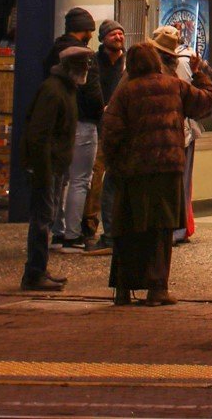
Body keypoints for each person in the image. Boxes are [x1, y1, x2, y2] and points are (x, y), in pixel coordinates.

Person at [99, 41, 212, 306]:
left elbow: (111, 131)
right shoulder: (173, 86)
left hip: (134, 171)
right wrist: (200, 73)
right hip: (167, 168)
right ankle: (157, 289)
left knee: (128, 227)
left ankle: (123, 287)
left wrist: (115, 165)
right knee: (160, 228)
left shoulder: (125, 92)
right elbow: (206, 102)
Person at [18, 45, 91, 291]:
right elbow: (40, 135)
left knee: (45, 218)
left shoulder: (65, 89)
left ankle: (39, 269)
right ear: (71, 68)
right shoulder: (54, 91)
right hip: (46, 167)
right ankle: (34, 273)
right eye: (83, 65)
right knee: (42, 219)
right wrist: (43, 171)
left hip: (55, 165)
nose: (86, 70)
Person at [44, 7, 103, 251]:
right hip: (83, 122)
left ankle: (57, 233)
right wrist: (100, 112)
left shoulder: (53, 53)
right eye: (90, 29)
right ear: (86, 30)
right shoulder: (86, 56)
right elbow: (92, 94)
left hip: (57, 123)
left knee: (60, 178)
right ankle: (73, 234)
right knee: (80, 179)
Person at [148, 26, 203, 244]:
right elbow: (204, 99)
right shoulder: (181, 67)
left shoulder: (146, 75)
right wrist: (199, 74)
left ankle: (168, 229)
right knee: (179, 181)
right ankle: (175, 229)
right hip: (178, 133)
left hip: (161, 137)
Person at [84, 19, 127, 255]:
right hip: (99, 125)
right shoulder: (94, 62)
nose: (118, 37)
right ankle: (89, 225)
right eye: (113, 34)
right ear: (103, 38)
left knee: (112, 178)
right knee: (95, 176)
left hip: (120, 126)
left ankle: (114, 228)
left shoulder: (127, 63)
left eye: (120, 33)